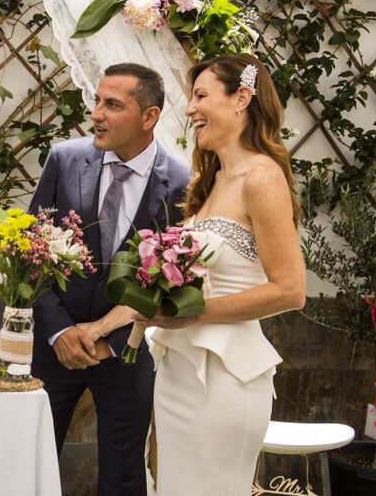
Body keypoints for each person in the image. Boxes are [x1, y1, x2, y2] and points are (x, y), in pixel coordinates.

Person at [138, 53, 306, 495]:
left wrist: (195, 314)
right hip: (180, 373)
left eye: (200, 95)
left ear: (242, 98)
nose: (190, 108)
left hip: (225, 379)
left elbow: (290, 290)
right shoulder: (209, 181)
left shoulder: (262, 178)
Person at [28, 63, 190, 496]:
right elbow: (32, 251)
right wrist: (60, 330)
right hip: (54, 347)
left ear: (149, 117)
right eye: (97, 101)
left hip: (127, 351)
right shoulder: (64, 160)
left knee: (123, 475)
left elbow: (170, 282)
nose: (96, 113)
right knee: (26, 462)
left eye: (112, 105)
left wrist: (109, 338)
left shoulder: (180, 185)